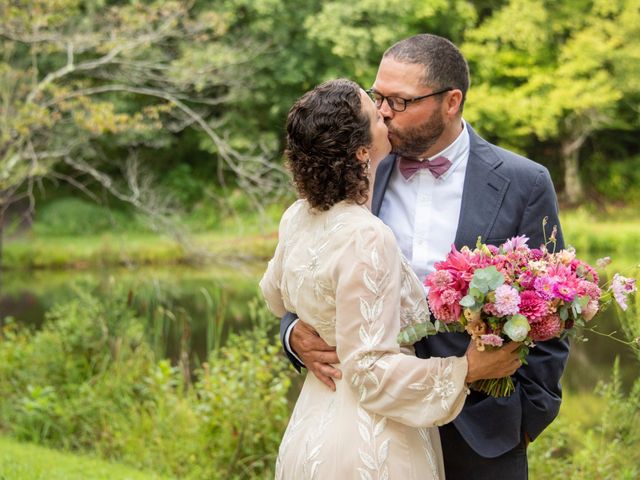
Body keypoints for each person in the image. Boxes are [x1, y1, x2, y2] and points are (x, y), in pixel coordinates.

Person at [282, 35, 569, 479]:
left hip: (484, 431)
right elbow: (307, 264)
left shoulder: (524, 182)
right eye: (378, 97)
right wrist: (292, 333)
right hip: (378, 428)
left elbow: (551, 305)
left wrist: (526, 419)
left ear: (451, 101)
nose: (382, 112)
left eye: (400, 101)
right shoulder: (355, 169)